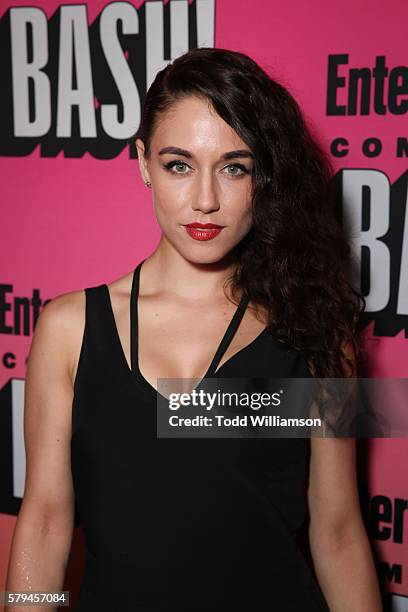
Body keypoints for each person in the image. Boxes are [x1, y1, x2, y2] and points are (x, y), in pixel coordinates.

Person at [5, 47, 383, 611]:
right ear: (142, 163)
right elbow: (45, 522)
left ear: (265, 174)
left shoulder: (318, 335)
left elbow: (338, 533)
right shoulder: (69, 329)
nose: (205, 200)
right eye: (178, 164)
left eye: (235, 167)